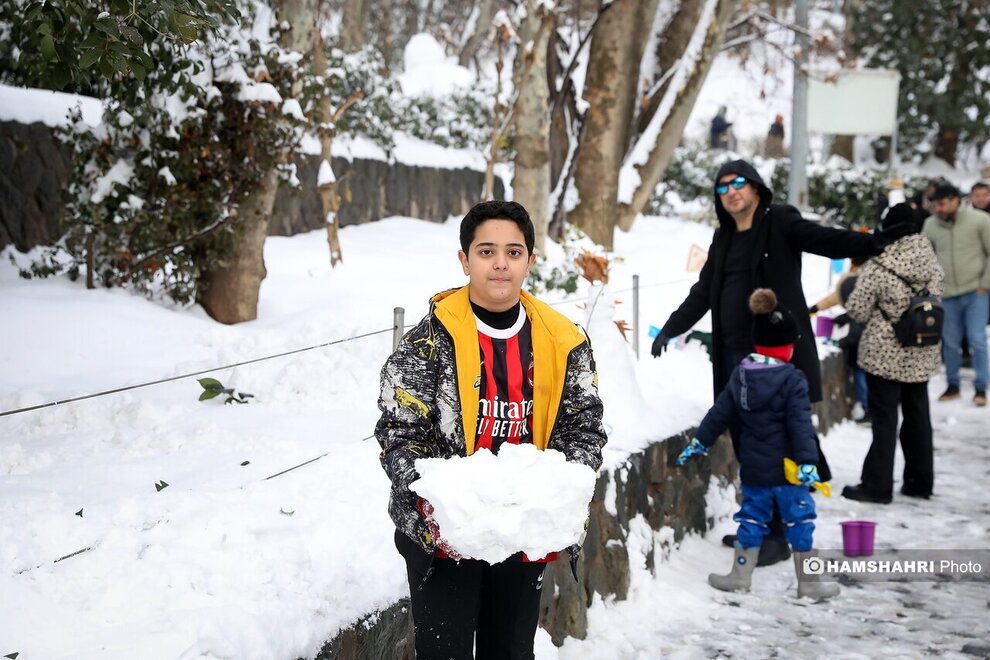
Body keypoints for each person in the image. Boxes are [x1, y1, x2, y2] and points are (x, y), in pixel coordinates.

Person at [375, 200, 607, 658]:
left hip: (524, 532)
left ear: (530, 261)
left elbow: (584, 427)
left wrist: (557, 489)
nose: (500, 263)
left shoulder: (565, 340)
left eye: (513, 252)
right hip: (444, 535)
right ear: (464, 259)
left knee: (512, 651)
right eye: (485, 251)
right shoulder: (427, 341)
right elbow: (399, 433)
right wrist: (438, 503)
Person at [651, 159, 884, 565]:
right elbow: (704, 291)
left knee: (777, 446)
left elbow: (825, 239)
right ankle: (759, 528)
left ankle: (777, 536)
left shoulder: (779, 222)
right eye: (722, 187)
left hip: (774, 357)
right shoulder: (723, 238)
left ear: (756, 188)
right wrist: (673, 327)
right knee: (748, 444)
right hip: (732, 358)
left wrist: (872, 243)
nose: (731, 192)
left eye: (739, 183)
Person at [675, 288, 839, 600]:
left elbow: (718, 414)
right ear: (787, 348)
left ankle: (739, 576)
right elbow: (801, 426)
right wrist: (808, 463)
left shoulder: (740, 376)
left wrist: (699, 443)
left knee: (751, 520)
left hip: (754, 470)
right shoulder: (793, 380)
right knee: (801, 520)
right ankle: (809, 581)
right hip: (790, 473)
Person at [843, 203, 943, 503]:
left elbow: (858, 310)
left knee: (885, 421)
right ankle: (919, 481)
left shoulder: (879, 264)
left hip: (884, 353)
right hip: (922, 350)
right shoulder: (931, 260)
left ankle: (877, 486)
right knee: (918, 418)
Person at [922, 183, 990, 407]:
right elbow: (925, 258)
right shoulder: (930, 225)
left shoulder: (979, 220)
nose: (939, 209)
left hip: (975, 291)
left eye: (942, 204)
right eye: (935, 205)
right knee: (949, 342)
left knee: (977, 339)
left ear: (955, 201)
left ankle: (981, 387)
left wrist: (985, 283)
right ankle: (953, 385)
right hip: (947, 293)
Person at [809, 256, 870, 424]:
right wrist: (838, 318)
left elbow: (854, 334)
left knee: (864, 382)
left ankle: (869, 410)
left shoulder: (862, 283)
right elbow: (843, 303)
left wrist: (837, 343)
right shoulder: (856, 284)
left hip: (865, 356)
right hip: (868, 354)